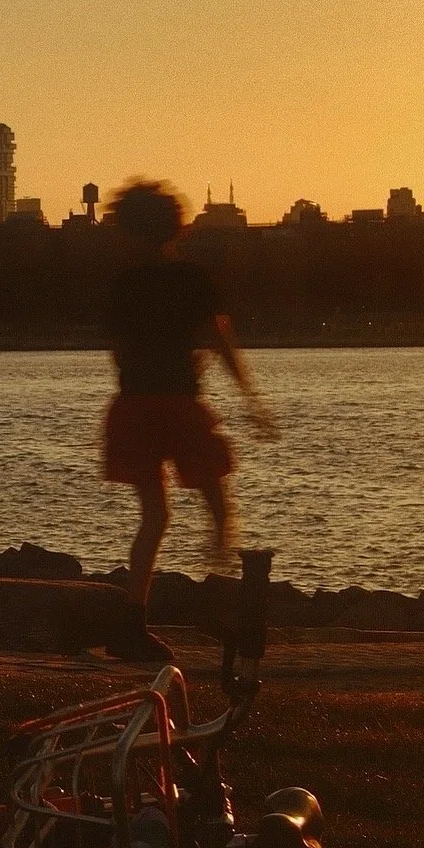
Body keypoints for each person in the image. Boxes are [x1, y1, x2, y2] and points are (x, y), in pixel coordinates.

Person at [102, 180, 276, 663]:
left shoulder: (123, 285)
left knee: (154, 517)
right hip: (177, 404)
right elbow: (221, 343)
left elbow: (120, 352)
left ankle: (133, 621)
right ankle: (217, 602)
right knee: (218, 507)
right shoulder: (192, 280)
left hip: (134, 406)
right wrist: (251, 400)